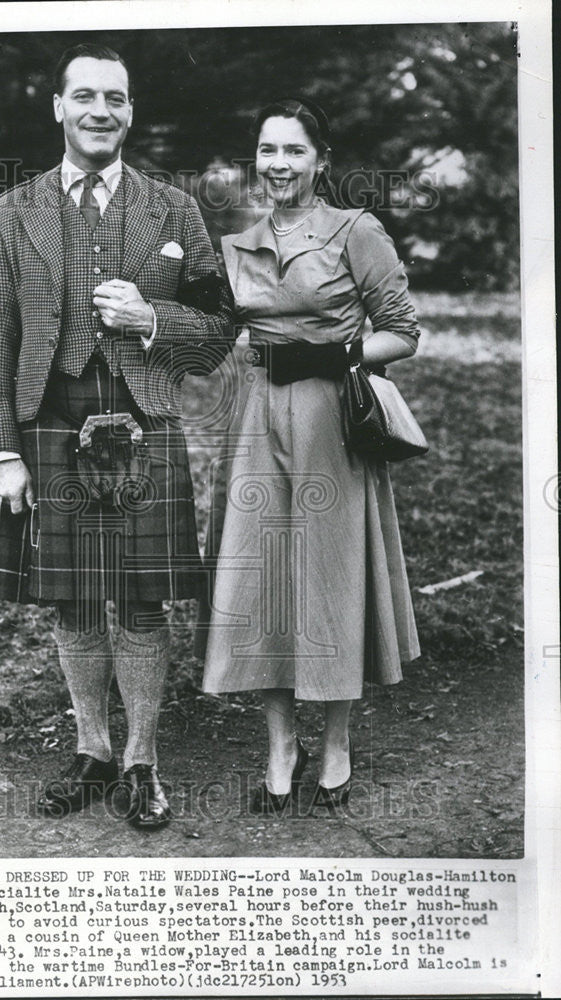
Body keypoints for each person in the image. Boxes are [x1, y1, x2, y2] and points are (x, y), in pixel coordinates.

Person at [0, 43, 231, 829]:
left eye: (114, 99)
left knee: (144, 604)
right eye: (83, 96)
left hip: (144, 419)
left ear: (130, 112)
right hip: (49, 418)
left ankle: (140, 761)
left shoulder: (174, 210)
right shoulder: (11, 212)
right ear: (58, 108)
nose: (99, 111)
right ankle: (91, 749)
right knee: (73, 602)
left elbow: (220, 331)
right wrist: (2, 450)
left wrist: (155, 319)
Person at [201, 99, 421, 813]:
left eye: (294, 151)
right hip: (256, 420)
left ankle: (334, 740)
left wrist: (334, 353)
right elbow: (208, 333)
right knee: (265, 577)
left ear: (320, 160)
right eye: (267, 150)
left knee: (328, 575)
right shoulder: (238, 243)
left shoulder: (355, 232)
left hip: (331, 417)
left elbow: (403, 331)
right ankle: (278, 744)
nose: (278, 165)